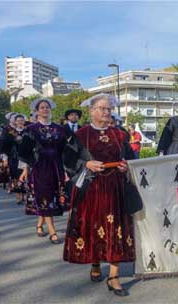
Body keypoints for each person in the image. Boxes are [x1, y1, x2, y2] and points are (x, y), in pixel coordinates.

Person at [63, 93, 135, 297]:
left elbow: (129, 157)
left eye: (109, 109)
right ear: (92, 111)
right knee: (94, 227)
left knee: (116, 228)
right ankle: (95, 261)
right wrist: (86, 164)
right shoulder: (80, 135)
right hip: (91, 187)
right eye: (102, 109)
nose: (106, 112)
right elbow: (68, 160)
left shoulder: (120, 134)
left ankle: (114, 275)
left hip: (115, 187)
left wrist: (125, 166)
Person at [18, 98, 67, 244]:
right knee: (44, 195)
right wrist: (26, 169)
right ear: (37, 111)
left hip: (56, 166)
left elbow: (64, 150)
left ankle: (40, 224)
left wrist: (66, 170)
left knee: (51, 197)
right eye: (42, 107)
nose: (45, 109)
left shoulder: (59, 129)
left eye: (47, 107)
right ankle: (52, 231)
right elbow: (24, 151)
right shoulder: (31, 129)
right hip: (39, 167)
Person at [1, 113, 27, 204]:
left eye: (21, 120)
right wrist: (5, 158)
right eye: (18, 121)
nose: (20, 122)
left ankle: (24, 194)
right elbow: (4, 145)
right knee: (16, 175)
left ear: (24, 121)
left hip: (25, 157)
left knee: (24, 175)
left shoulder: (27, 131)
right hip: (14, 156)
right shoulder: (11, 132)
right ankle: (18, 195)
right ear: (15, 122)